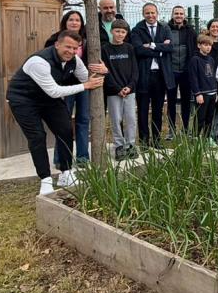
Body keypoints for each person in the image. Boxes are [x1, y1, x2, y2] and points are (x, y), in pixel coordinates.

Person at [7, 30, 106, 195]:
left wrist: (103, 70)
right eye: (68, 47)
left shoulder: (75, 60)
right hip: (24, 100)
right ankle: (45, 180)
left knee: (65, 129)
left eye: (75, 48)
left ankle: (66, 173)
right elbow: (55, 91)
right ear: (57, 44)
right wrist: (85, 86)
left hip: (48, 99)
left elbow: (86, 78)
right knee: (37, 137)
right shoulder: (39, 62)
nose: (71, 51)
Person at [44, 10, 91, 168]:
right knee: (63, 122)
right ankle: (61, 158)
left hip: (84, 86)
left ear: (81, 23)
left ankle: (83, 157)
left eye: (77, 20)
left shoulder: (87, 40)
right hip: (64, 86)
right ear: (65, 22)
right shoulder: (55, 39)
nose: (74, 22)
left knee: (83, 120)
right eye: (71, 19)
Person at [130, 3, 175, 146]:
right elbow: (138, 50)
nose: (150, 15)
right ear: (143, 14)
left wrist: (151, 45)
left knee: (157, 110)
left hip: (160, 76)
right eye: (147, 13)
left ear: (157, 13)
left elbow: (170, 47)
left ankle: (156, 141)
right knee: (143, 110)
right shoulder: (137, 30)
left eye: (153, 12)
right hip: (144, 75)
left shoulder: (165, 28)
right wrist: (161, 49)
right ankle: (144, 141)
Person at [101, 18, 139, 160]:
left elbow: (135, 70)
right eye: (117, 31)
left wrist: (130, 86)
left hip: (129, 91)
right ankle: (119, 146)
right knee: (116, 119)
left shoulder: (129, 48)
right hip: (113, 92)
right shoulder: (105, 49)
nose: (120, 34)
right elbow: (105, 72)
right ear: (111, 31)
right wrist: (117, 88)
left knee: (131, 119)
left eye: (123, 32)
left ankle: (130, 145)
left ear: (126, 33)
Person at [165, 6, 197, 135]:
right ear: (172, 15)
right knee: (171, 102)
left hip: (186, 72)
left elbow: (194, 50)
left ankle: (185, 129)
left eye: (181, 14)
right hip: (171, 71)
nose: (179, 16)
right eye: (176, 13)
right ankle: (171, 130)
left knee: (186, 102)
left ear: (184, 16)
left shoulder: (191, 31)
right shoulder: (166, 29)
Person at [189, 33, 218, 138]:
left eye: (209, 45)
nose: (208, 47)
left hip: (212, 93)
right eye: (205, 45)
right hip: (202, 94)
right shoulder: (195, 60)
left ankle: (206, 138)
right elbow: (193, 78)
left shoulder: (211, 59)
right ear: (199, 45)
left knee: (209, 118)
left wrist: (216, 92)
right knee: (200, 118)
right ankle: (195, 138)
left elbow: (213, 76)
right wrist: (197, 93)